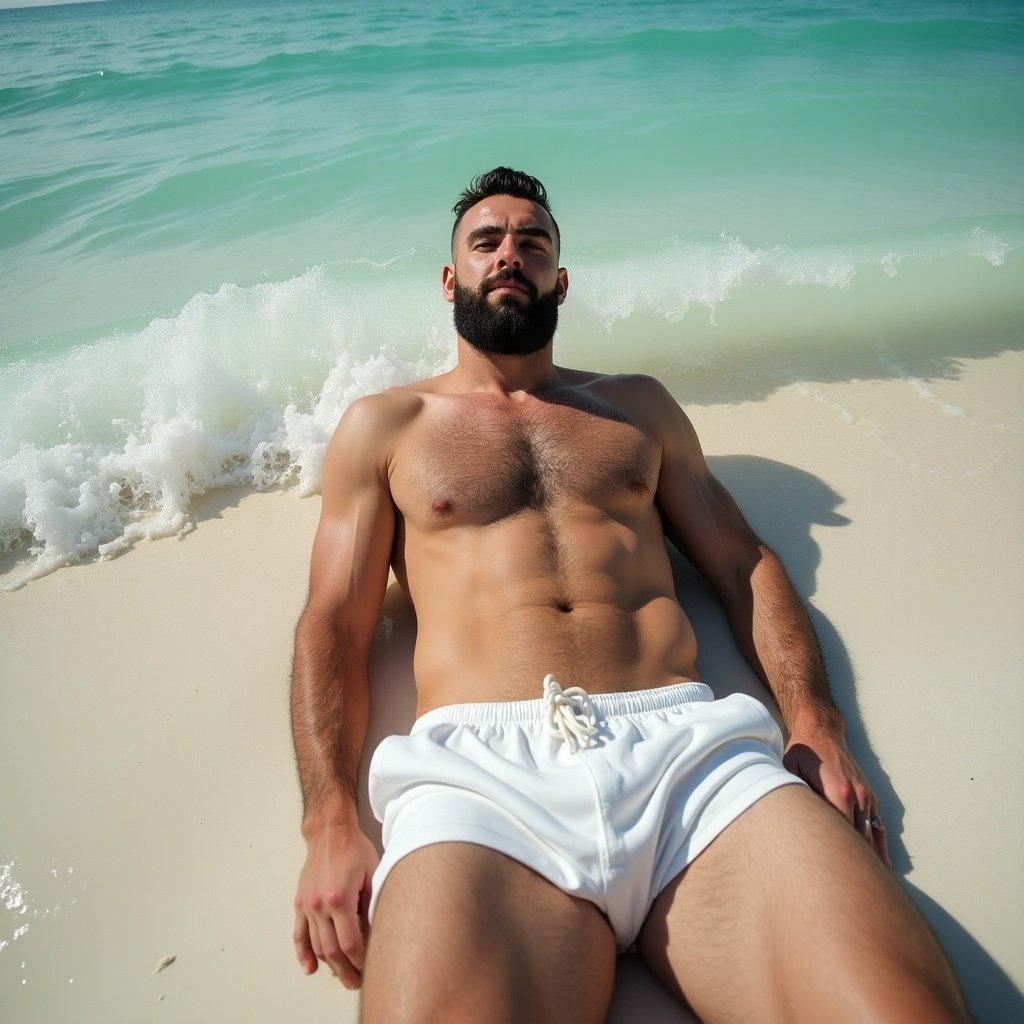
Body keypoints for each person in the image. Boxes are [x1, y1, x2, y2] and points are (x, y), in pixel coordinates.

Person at [289, 168, 971, 1023]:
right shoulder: (387, 425)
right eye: (487, 240)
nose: (510, 254)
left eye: (533, 242)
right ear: (449, 278)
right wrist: (329, 821)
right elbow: (333, 623)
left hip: (691, 758)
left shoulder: (636, 408)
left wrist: (814, 722)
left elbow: (740, 563)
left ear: (560, 280)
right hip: (481, 784)